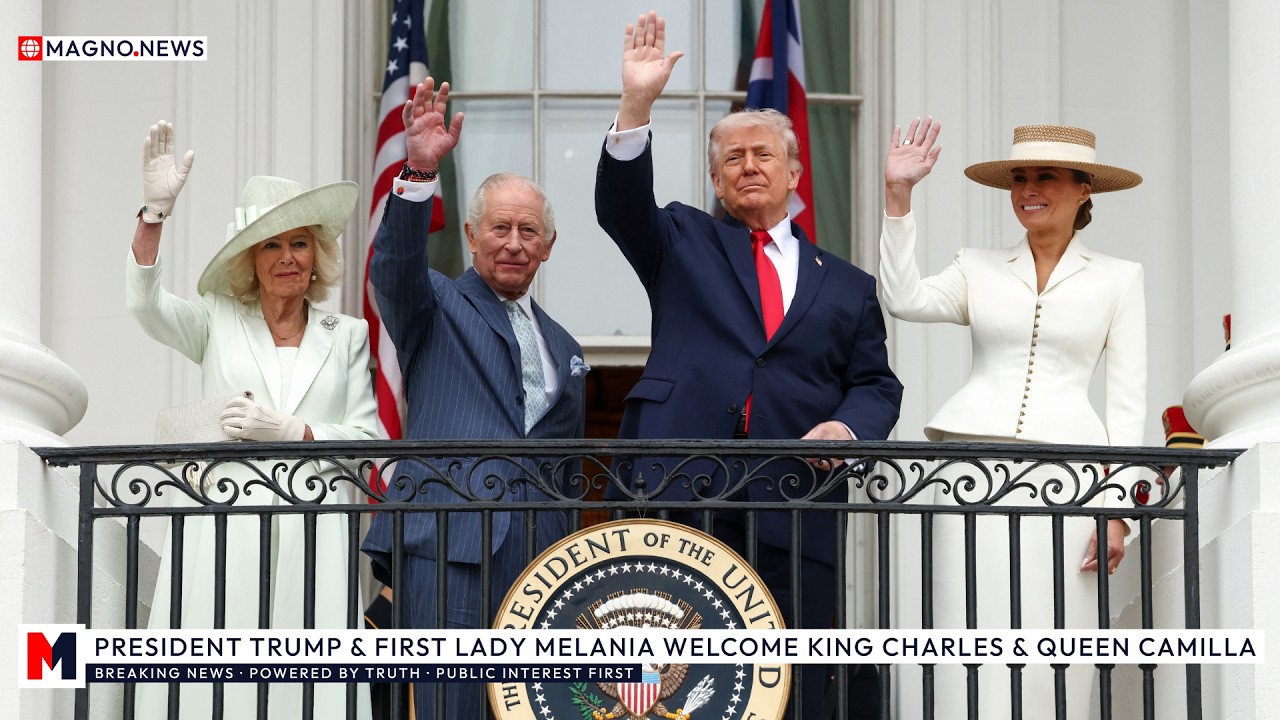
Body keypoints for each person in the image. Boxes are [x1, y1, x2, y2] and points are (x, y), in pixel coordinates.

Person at [595, 13, 903, 720]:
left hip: (795, 500)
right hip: (676, 489)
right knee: (661, 684)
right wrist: (636, 104)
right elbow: (620, 206)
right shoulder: (682, 238)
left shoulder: (848, 284)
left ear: (795, 172)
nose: (749, 167)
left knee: (791, 683)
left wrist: (847, 432)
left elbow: (875, 384)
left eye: (764, 155)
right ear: (715, 177)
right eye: (732, 159)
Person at [879, 119, 1146, 718]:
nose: (1029, 188)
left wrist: (1118, 514)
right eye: (1020, 177)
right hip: (968, 472)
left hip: (1073, 480)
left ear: (1084, 190)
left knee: (1061, 635)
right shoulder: (976, 264)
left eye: (1046, 176)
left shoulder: (1119, 278)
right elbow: (903, 298)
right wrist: (899, 198)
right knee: (962, 624)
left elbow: (1127, 399)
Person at [126, 121, 378, 718]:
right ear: (249, 258)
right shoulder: (217, 319)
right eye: (271, 244)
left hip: (315, 531)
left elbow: (371, 440)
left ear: (318, 253)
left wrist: (297, 432)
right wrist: (152, 217)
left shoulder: (348, 336)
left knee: (308, 684)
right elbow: (146, 305)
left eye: (299, 242)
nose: (287, 257)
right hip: (223, 525)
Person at [360, 78, 587, 719]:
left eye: (529, 231)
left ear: (547, 245)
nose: (514, 242)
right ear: (470, 234)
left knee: (533, 710)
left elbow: (563, 463)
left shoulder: (565, 345)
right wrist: (419, 169)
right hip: (448, 542)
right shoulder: (433, 303)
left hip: (544, 558)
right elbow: (392, 264)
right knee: (448, 708)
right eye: (500, 228)